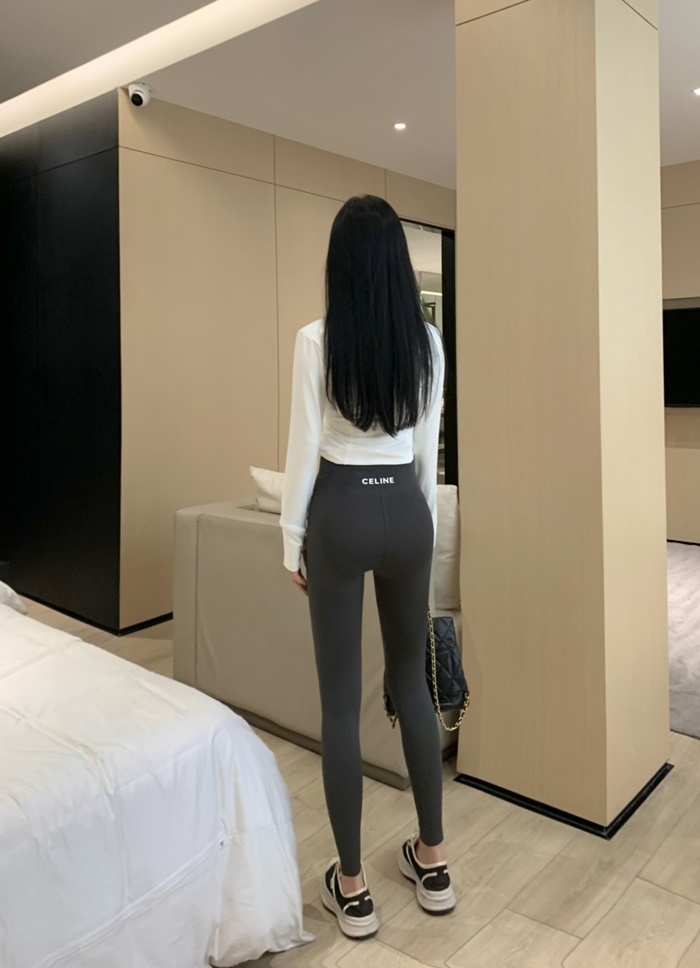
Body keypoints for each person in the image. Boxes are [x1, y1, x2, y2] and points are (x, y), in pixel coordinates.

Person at [280, 195, 454, 940]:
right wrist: (427, 536)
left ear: (340, 264)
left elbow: (302, 448)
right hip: (408, 516)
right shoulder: (428, 344)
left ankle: (352, 890)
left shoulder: (317, 339)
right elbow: (427, 452)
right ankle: (434, 862)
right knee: (411, 684)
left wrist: (291, 537)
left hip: (342, 512)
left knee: (340, 703)